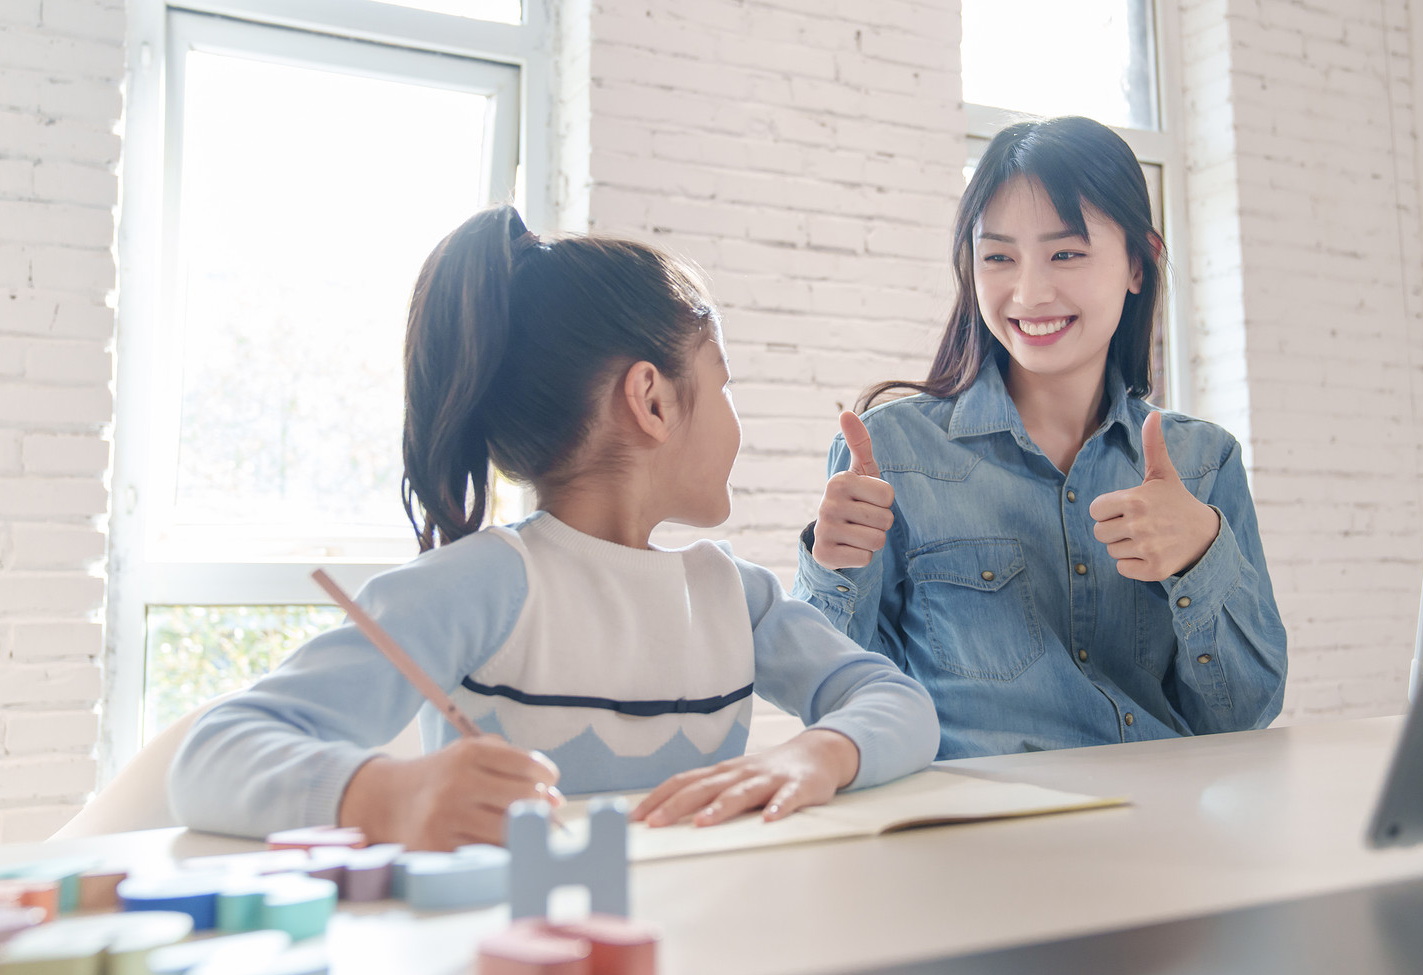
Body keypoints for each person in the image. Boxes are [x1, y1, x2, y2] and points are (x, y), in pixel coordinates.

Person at [170, 206, 938, 848]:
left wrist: (822, 750)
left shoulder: (732, 596)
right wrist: (388, 796)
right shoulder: (485, 582)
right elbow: (211, 755)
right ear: (653, 399)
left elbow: (898, 704)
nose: (735, 415)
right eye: (723, 384)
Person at [793, 116, 1286, 758]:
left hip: (1161, 826)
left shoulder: (1204, 461)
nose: (1029, 292)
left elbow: (1242, 717)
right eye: (998, 256)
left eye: (1066, 254)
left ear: (1140, 262)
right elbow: (834, 703)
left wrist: (1201, 556)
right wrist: (834, 566)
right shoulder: (892, 456)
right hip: (980, 835)